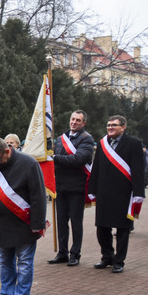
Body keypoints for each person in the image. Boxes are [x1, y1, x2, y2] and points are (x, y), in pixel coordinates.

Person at [0, 138, 46, 295]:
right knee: (5, 261)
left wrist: (38, 223)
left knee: (24, 262)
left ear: (8, 151)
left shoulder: (29, 163)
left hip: (23, 223)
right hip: (0, 223)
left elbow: (38, 196)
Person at [87, 115, 145, 273]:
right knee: (102, 227)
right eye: (108, 125)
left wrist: (139, 192)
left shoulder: (133, 143)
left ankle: (119, 261)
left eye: (114, 125)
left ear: (123, 127)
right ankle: (107, 257)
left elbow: (138, 170)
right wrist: (91, 189)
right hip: (104, 192)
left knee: (122, 229)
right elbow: (96, 168)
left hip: (123, 193)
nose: (110, 127)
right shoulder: (102, 143)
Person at [48, 110, 94, 266]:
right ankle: (62, 253)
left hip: (77, 188)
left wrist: (55, 158)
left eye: (78, 120)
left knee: (75, 222)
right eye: (72, 119)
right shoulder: (61, 139)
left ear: (83, 123)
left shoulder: (87, 139)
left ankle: (75, 253)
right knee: (61, 222)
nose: (74, 122)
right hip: (60, 187)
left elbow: (79, 159)